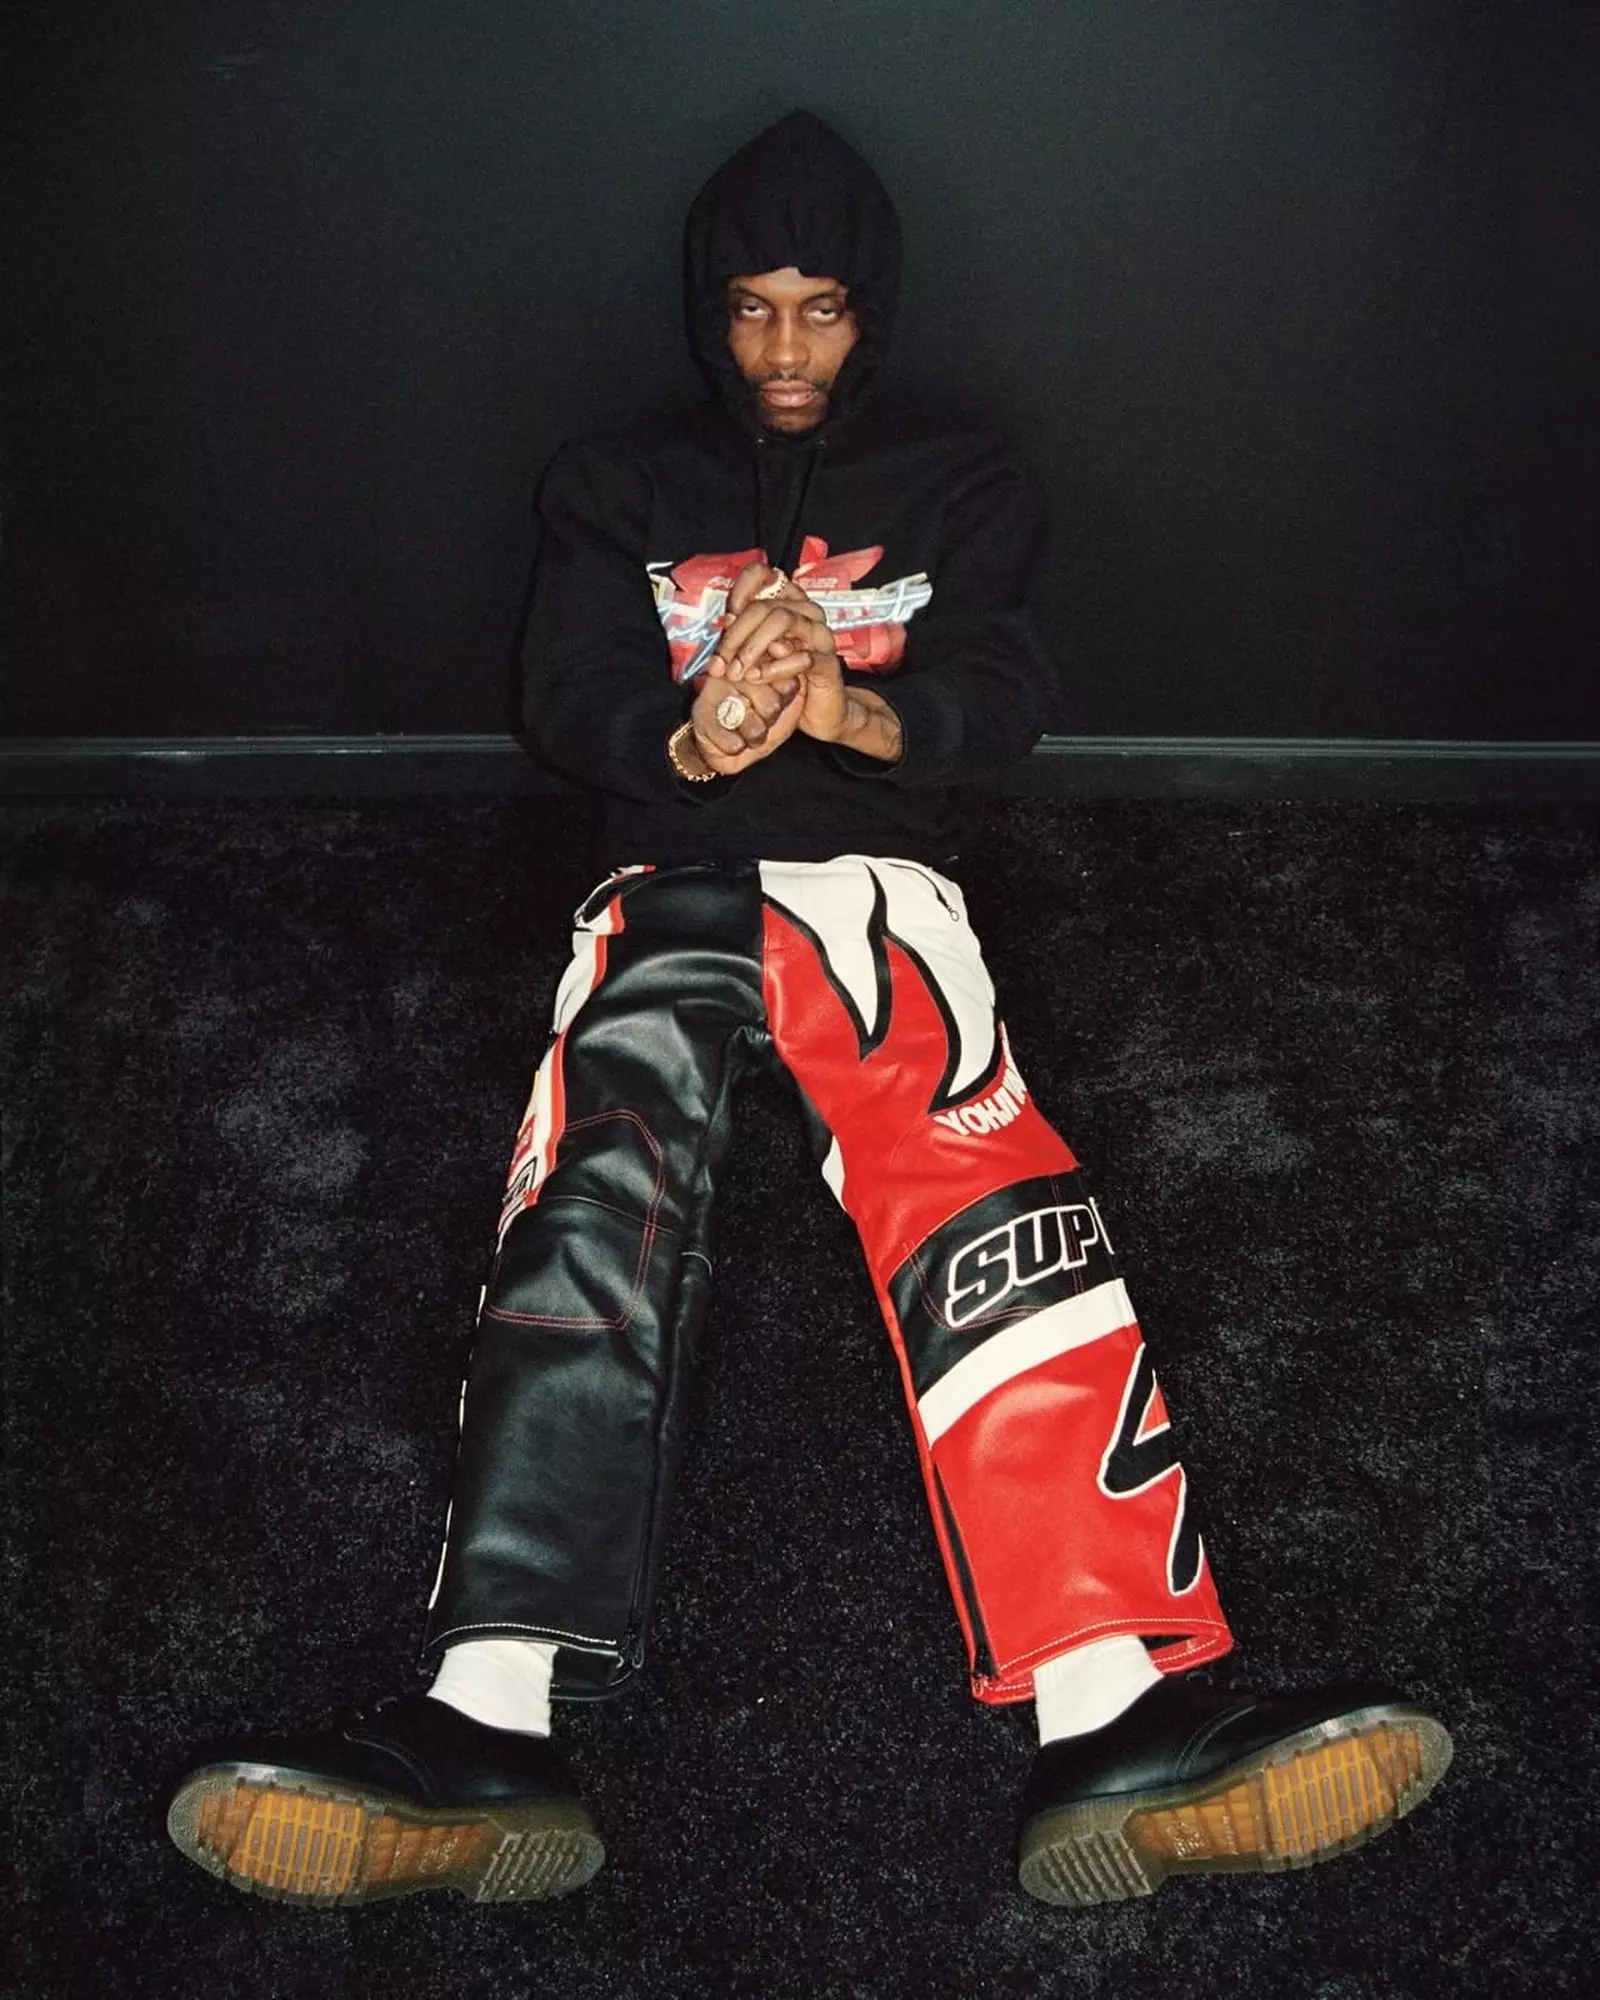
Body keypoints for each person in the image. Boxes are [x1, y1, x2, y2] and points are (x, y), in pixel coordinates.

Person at [165, 110, 1451, 1911]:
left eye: (822, 309)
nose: (785, 347)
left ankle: (1114, 1710)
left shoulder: (961, 471)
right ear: (712, 310)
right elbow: (565, 688)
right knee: (589, 1205)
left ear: (873, 310)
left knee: (983, 1189)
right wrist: (692, 737)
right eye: (754, 309)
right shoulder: (616, 478)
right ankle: (483, 1719)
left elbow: (1004, 688)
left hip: (877, 882)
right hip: (666, 875)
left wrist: (848, 713)